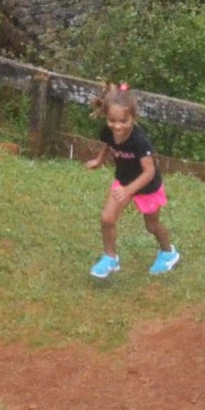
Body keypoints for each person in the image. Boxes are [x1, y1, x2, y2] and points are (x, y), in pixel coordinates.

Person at [82, 86, 179, 280]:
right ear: (106, 117)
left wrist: (128, 190)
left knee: (152, 226)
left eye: (123, 121)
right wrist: (99, 160)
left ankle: (168, 253)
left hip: (146, 186)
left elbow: (149, 172)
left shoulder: (140, 141)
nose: (117, 126)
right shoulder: (108, 132)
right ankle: (110, 258)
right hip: (123, 181)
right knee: (107, 219)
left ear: (133, 117)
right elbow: (108, 145)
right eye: (112, 121)